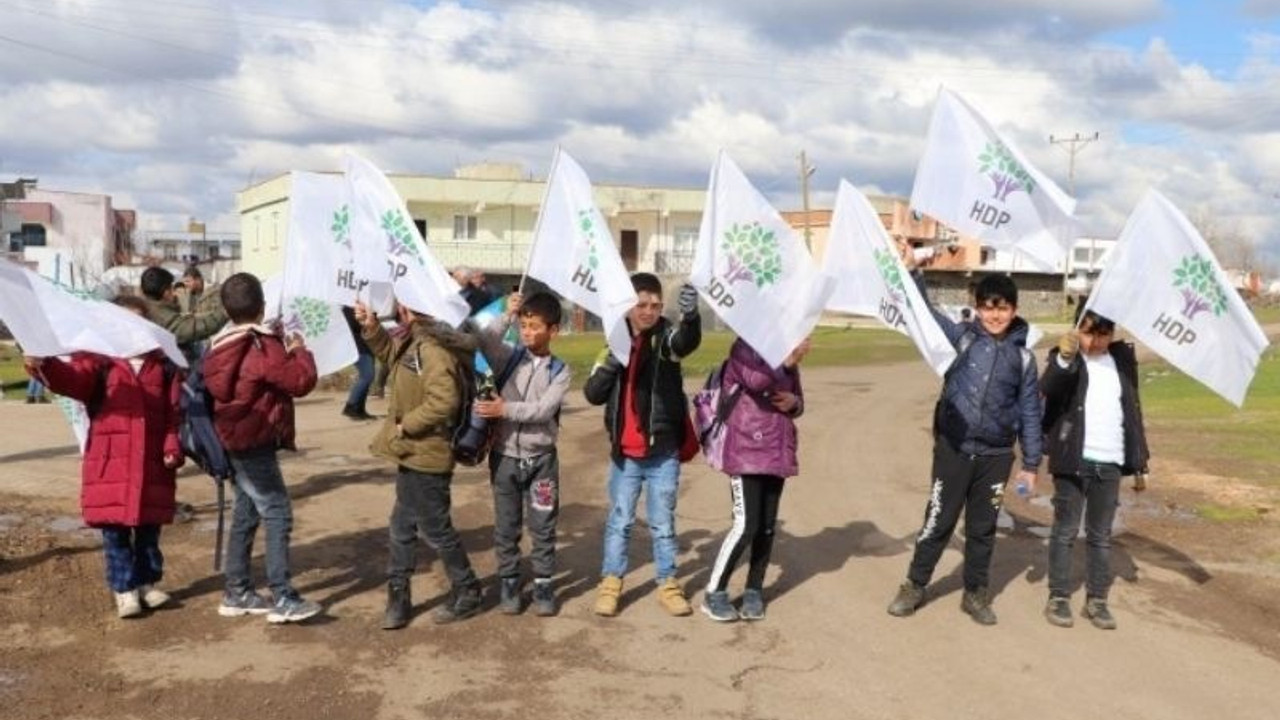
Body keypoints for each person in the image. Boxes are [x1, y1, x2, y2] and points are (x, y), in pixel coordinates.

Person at [887, 250, 1042, 626]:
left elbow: (1029, 412)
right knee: (938, 521)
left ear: (1014, 309)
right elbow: (924, 315)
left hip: (996, 456)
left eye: (1003, 308)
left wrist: (1032, 464)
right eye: (988, 307)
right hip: (954, 450)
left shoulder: (1023, 359)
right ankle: (914, 584)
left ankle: (975, 593)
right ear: (977, 308)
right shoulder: (961, 339)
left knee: (982, 529)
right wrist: (912, 271)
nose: (995, 315)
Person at [23, 295, 184, 618]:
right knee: (115, 531)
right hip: (111, 461)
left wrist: (171, 445)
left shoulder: (163, 364)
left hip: (152, 462)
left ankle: (148, 583)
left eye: (136, 322)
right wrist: (46, 365)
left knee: (149, 530)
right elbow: (74, 381)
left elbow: (173, 412)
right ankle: (124, 589)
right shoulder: (98, 360)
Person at [354, 299, 484, 630]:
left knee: (435, 528)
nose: (396, 307)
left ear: (410, 308)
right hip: (414, 452)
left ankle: (467, 589)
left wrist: (405, 425)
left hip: (428, 452)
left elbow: (444, 401)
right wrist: (370, 327)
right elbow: (392, 356)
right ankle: (399, 595)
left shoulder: (434, 348)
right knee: (402, 526)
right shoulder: (417, 341)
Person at [203, 272, 321, 624]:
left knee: (247, 511)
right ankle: (283, 595)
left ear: (226, 309)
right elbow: (299, 381)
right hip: (254, 439)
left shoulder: (221, 344)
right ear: (262, 307)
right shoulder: (258, 345)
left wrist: (278, 342)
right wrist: (300, 351)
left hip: (233, 438)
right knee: (277, 511)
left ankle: (237, 591)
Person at [583, 274, 702, 617]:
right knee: (619, 521)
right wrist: (611, 362)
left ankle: (667, 583)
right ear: (628, 306)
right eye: (641, 304)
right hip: (625, 457)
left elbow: (683, 342)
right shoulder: (614, 342)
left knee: (662, 523)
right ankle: (610, 583)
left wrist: (690, 317)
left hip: (662, 453)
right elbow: (592, 394)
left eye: (655, 305)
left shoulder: (665, 339)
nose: (649, 311)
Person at [1041, 308, 1150, 630]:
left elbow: (1132, 411)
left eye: (1103, 334)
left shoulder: (1122, 361)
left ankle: (1097, 600)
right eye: (1089, 333)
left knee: (1101, 535)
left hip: (1111, 460)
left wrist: (1140, 460)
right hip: (1074, 458)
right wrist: (1064, 356)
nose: (1096, 341)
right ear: (1078, 329)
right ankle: (1058, 596)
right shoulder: (1068, 357)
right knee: (1065, 530)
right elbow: (1049, 387)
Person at [472, 292, 571, 617]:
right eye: (524, 325)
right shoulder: (508, 357)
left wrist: (505, 409)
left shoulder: (560, 370)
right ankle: (510, 582)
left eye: (534, 326)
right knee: (506, 526)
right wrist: (507, 315)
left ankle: (543, 584)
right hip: (504, 458)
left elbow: (543, 410)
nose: (527, 332)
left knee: (543, 525)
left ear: (553, 330)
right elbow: (481, 341)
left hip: (542, 461)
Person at [701, 336, 810, 623]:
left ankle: (753, 590)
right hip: (745, 450)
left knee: (766, 528)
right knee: (745, 525)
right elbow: (756, 381)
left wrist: (793, 402)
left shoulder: (785, 351)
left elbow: (798, 401)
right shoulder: (744, 348)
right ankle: (714, 591)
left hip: (776, 450)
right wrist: (787, 363)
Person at [139, 266, 228, 364]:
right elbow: (193, 328)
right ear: (165, 292)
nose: (174, 293)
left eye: (188, 281)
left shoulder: (146, 307)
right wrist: (225, 312)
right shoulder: (161, 315)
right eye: (171, 288)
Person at [341, 306, 376, 420]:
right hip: (357, 348)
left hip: (367, 346)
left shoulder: (363, 308)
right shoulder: (347, 309)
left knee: (366, 376)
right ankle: (350, 406)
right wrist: (365, 319)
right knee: (367, 375)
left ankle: (359, 409)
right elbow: (353, 326)